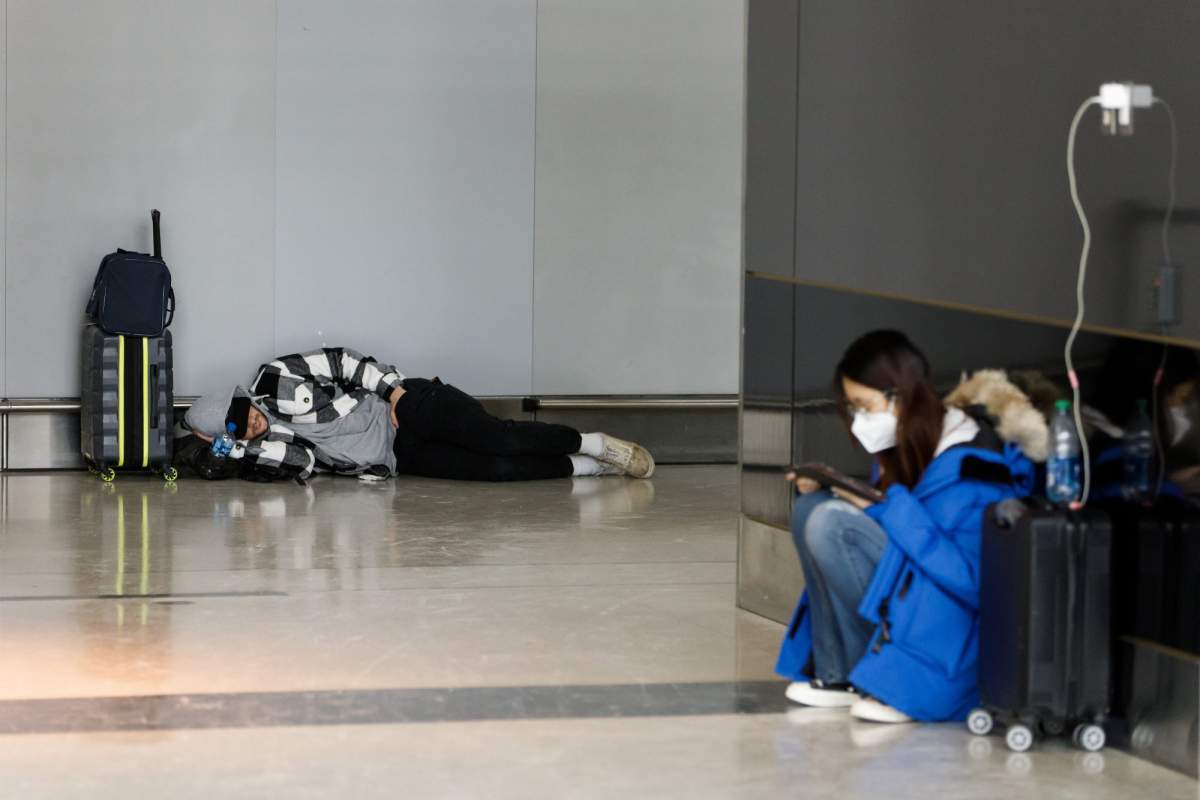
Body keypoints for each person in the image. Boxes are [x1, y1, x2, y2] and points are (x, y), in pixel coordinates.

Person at [776, 331, 1038, 724]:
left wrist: (881, 507)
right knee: (812, 507)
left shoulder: (976, 467)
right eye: (852, 408)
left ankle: (893, 677)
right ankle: (844, 672)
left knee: (833, 524)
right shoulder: (908, 442)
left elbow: (972, 580)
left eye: (865, 406)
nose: (859, 420)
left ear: (901, 396)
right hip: (911, 593)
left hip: (956, 632)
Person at [184, 346, 654, 482]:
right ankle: (586, 468)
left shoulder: (275, 378)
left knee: (499, 439)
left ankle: (593, 441)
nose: (247, 423)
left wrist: (393, 393)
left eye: (240, 413)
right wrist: (236, 448)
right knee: (492, 470)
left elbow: (343, 362)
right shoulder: (264, 448)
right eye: (234, 428)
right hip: (398, 458)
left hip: (406, 407)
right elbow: (302, 465)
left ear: (244, 396)